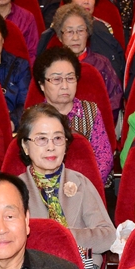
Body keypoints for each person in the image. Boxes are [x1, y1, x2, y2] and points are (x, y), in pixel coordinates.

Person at [16, 103, 114, 269]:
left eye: (58, 138)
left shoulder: (81, 183)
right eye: (42, 139)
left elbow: (107, 236)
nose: (51, 147)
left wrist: (63, 236)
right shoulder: (13, 190)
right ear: (25, 146)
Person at [33, 47, 114, 185]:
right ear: (41, 84)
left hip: (87, 189)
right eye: (56, 79)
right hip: (44, 190)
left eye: (70, 78)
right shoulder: (33, 117)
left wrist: (83, 190)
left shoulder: (90, 111)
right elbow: (30, 162)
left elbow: (104, 159)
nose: (65, 85)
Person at [48, 4, 123, 116]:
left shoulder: (102, 64)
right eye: (69, 32)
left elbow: (114, 101)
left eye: (80, 31)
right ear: (59, 36)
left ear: (88, 34)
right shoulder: (50, 65)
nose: (75, 37)